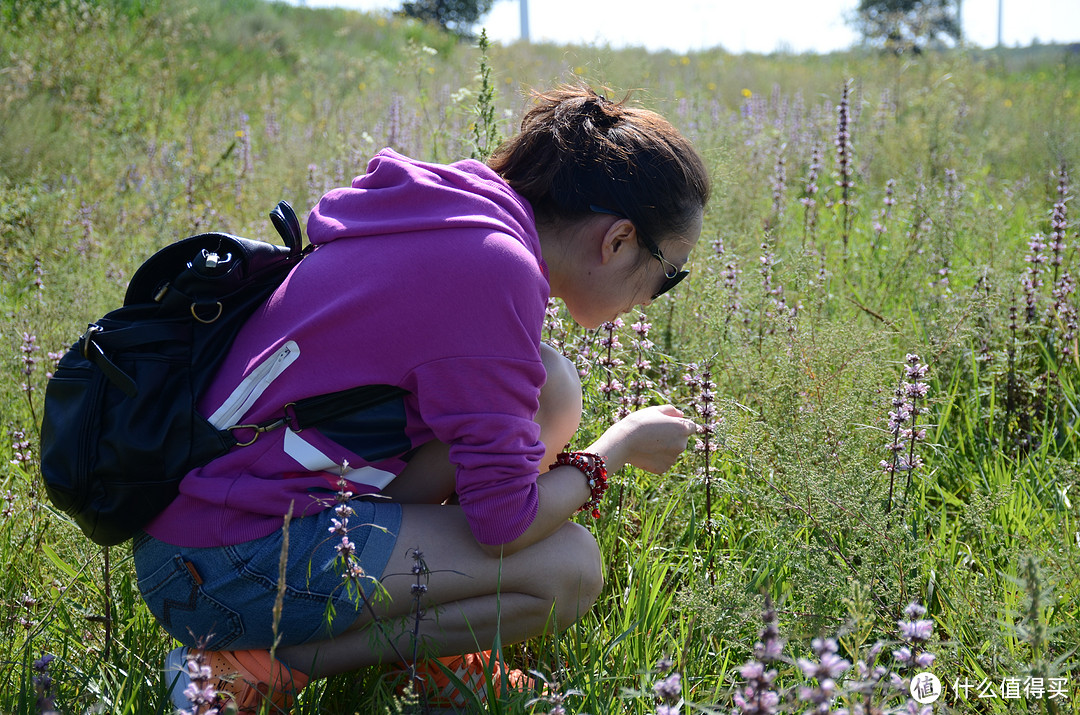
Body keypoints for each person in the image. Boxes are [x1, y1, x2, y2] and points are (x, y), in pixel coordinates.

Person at [133, 84, 711, 713]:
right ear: (619, 238)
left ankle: (435, 655)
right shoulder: (495, 270)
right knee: (566, 570)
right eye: (669, 271)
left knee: (550, 387)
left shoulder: (459, 219)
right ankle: (249, 668)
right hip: (229, 567)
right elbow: (504, 524)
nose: (656, 294)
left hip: (204, 533)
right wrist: (615, 450)